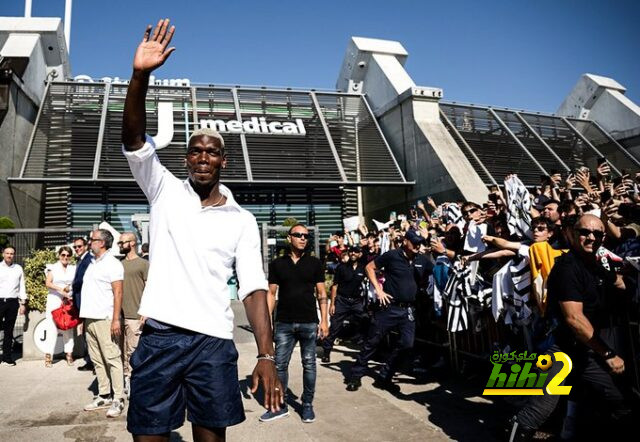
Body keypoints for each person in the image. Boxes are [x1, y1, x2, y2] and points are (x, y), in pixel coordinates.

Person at [121, 18, 282, 441]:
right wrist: (139, 77)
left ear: (223, 161)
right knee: (148, 434)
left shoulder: (242, 221)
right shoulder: (164, 192)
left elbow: (253, 289)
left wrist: (266, 355)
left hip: (212, 344)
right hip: (159, 338)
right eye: (195, 151)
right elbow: (135, 139)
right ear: (187, 160)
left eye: (212, 152)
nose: (203, 157)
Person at [508, 214, 631, 440]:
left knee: (618, 401)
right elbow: (574, 319)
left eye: (597, 234)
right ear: (572, 234)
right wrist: (608, 354)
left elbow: (619, 283)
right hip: (563, 350)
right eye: (585, 232)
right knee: (538, 410)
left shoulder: (592, 264)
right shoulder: (567, 267)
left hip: (586, 349)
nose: (591, 237)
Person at [347, 230, 433, 392]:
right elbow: (369, 267)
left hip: (408, 310)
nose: (417, 245)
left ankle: (385, 376)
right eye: (414, 241)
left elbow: (435, 271)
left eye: (419, 242)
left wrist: (441, 252)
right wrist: (379, 290)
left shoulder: (422, 259)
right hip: (388, 307)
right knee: (372, 342)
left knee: (407, 345)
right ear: (405, 241)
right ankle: (355, 375)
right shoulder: (392, 255)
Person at [262, 223, 329, 423]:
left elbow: (322, 293)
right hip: (284, 323)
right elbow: (271, 294)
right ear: (289, 238)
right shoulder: (277, 264)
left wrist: (324, 320)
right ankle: (280, 405)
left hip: (309, 322)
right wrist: (266, 322)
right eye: (298, 235)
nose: (302, 238)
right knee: (280, 365)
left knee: (309, 365)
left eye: (306, 236)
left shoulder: (315, 263)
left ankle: (307, 405)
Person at [80, 229, 126, 418]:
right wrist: (84, 319)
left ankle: (118, 398)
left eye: (93, 239)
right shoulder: (92, 263)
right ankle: (105, 394)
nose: (90, 241)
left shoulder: (113, 264)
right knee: (97, 360)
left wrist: (116, 319)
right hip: (90, 318)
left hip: (106, 318)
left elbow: (118, 293)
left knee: (112, 358)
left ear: (102, 243)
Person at [321, 245, 368, 363]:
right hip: (342, 300)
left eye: (356, 252)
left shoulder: (363, 268)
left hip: (357, 301)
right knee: (335, 327)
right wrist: (332, 304)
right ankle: (326, 351)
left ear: (359, 254)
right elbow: (335, 286)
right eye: (351, 251)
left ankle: (365, 349)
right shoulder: (341, 268)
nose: (353, 254)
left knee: (365, 320)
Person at [117, 231, 148, 397]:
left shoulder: (143, 264)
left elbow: (150, 288)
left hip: (135, 314)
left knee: (133, 350)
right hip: (118, 315)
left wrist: (146, 310)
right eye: (119, 243)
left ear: (133, 243)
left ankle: (134, 381)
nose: (120, 246)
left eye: (123, 242)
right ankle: (126, 379)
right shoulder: (119, 264)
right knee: (120, 350)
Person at [44, 246, 77, 367]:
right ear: (59, 255)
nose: (65, 257)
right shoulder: (53, 267)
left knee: (68, 327)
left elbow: (75, 283)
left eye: (68, 255)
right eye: (63, 255)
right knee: (51, 328)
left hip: (68, 301)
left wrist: (69, 293)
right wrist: (61, 289)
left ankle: (69, 354)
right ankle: (48, 356)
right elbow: (48, 283)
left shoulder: (73, 269)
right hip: (54, 300)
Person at [0, 245, 26, 365]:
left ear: (14, 255)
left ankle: (7, 357)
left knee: (9, 331)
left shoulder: (18, 268)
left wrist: (22, 303)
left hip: (13, 302)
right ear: (3, 254)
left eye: (11, 253)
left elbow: (22, 287)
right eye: (7, 253)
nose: (9, 255)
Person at [72, 236, 95, 372]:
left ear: (86, 246)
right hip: (81, 301)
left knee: (89, 333)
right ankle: (90, 360)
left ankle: (92, 361)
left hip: (86, 301)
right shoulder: (81, 260)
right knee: (87, 333)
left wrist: (71, 287)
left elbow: (81, 281)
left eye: (79, 246)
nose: (77, 249)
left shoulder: (88, 260)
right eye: (75, 247)